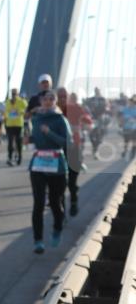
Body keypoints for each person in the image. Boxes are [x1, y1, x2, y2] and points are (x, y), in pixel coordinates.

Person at [29, 89, 71, 254]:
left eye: (51, 99)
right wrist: (30, 139)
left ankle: (57, 228)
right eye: (45, 99)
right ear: (41, 101)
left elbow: (65, 142)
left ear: (55, 101)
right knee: (38, 203)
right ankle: (38, 241)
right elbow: (37, 138)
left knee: (55, 201)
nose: (47, 101)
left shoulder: (60, 119)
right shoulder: (36, 118)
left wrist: (49, 133)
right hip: (38, 164)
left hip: (57, 165)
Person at [57, 88, 92, 216]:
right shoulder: (52, 110)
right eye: (59, 96)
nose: (61, 98)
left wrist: (86, 121)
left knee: (72, 182)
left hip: (74, 147)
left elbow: (86, 119)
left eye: (64, 96)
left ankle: (73, 201)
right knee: (59, 184)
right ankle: (60, 211)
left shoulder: (75, 108)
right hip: (57, 150)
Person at [4, 88, 27, 165]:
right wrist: (7, 116)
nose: (14, 95)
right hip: (10, 124)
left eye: (15, 93)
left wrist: (19, 111)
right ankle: (10, 158)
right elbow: (6, 111)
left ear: (18, 94)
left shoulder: (21, 101)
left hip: (18, 124)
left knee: (18, 141)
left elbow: (26, 109)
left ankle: (19, 157)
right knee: (10, 142)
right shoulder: (7, 102)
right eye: (13, 93)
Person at [122, 95, 136, 160]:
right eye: (129, 102)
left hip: (134, 127)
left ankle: (133, 151)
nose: (130, 103)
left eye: (131, 102)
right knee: (126, 140)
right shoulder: (125, 109)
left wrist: (133, 118)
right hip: (126, 127)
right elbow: (121, 117)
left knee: (134, 140)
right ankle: (125, 150)